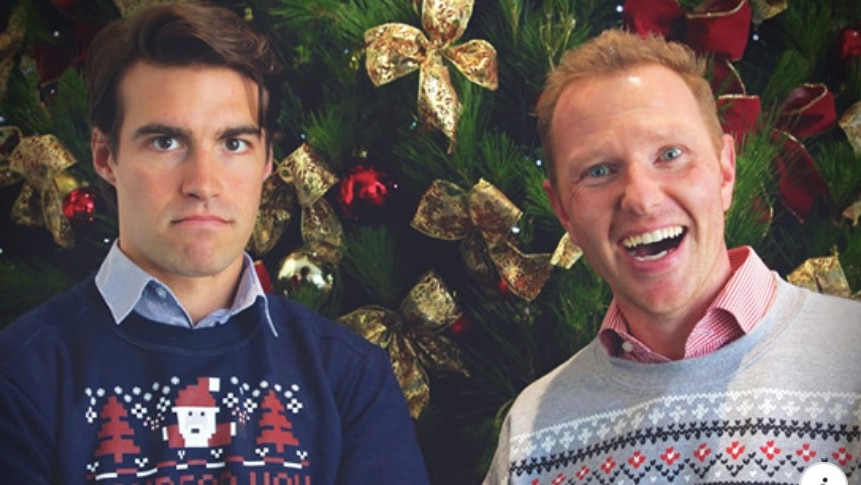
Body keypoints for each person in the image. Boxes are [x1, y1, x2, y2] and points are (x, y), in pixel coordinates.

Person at [0, 4, 428, 484]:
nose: (204, 182)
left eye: (233, 143)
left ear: (268, 158)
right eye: (166, 142)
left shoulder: (351, 379)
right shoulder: (19, 377)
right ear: (105, 156)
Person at [484, 29, 861, 484]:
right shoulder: (532, 434)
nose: (641, 199)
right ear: (563, 209)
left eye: (670, 154)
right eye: (599, 171)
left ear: (725, 171)